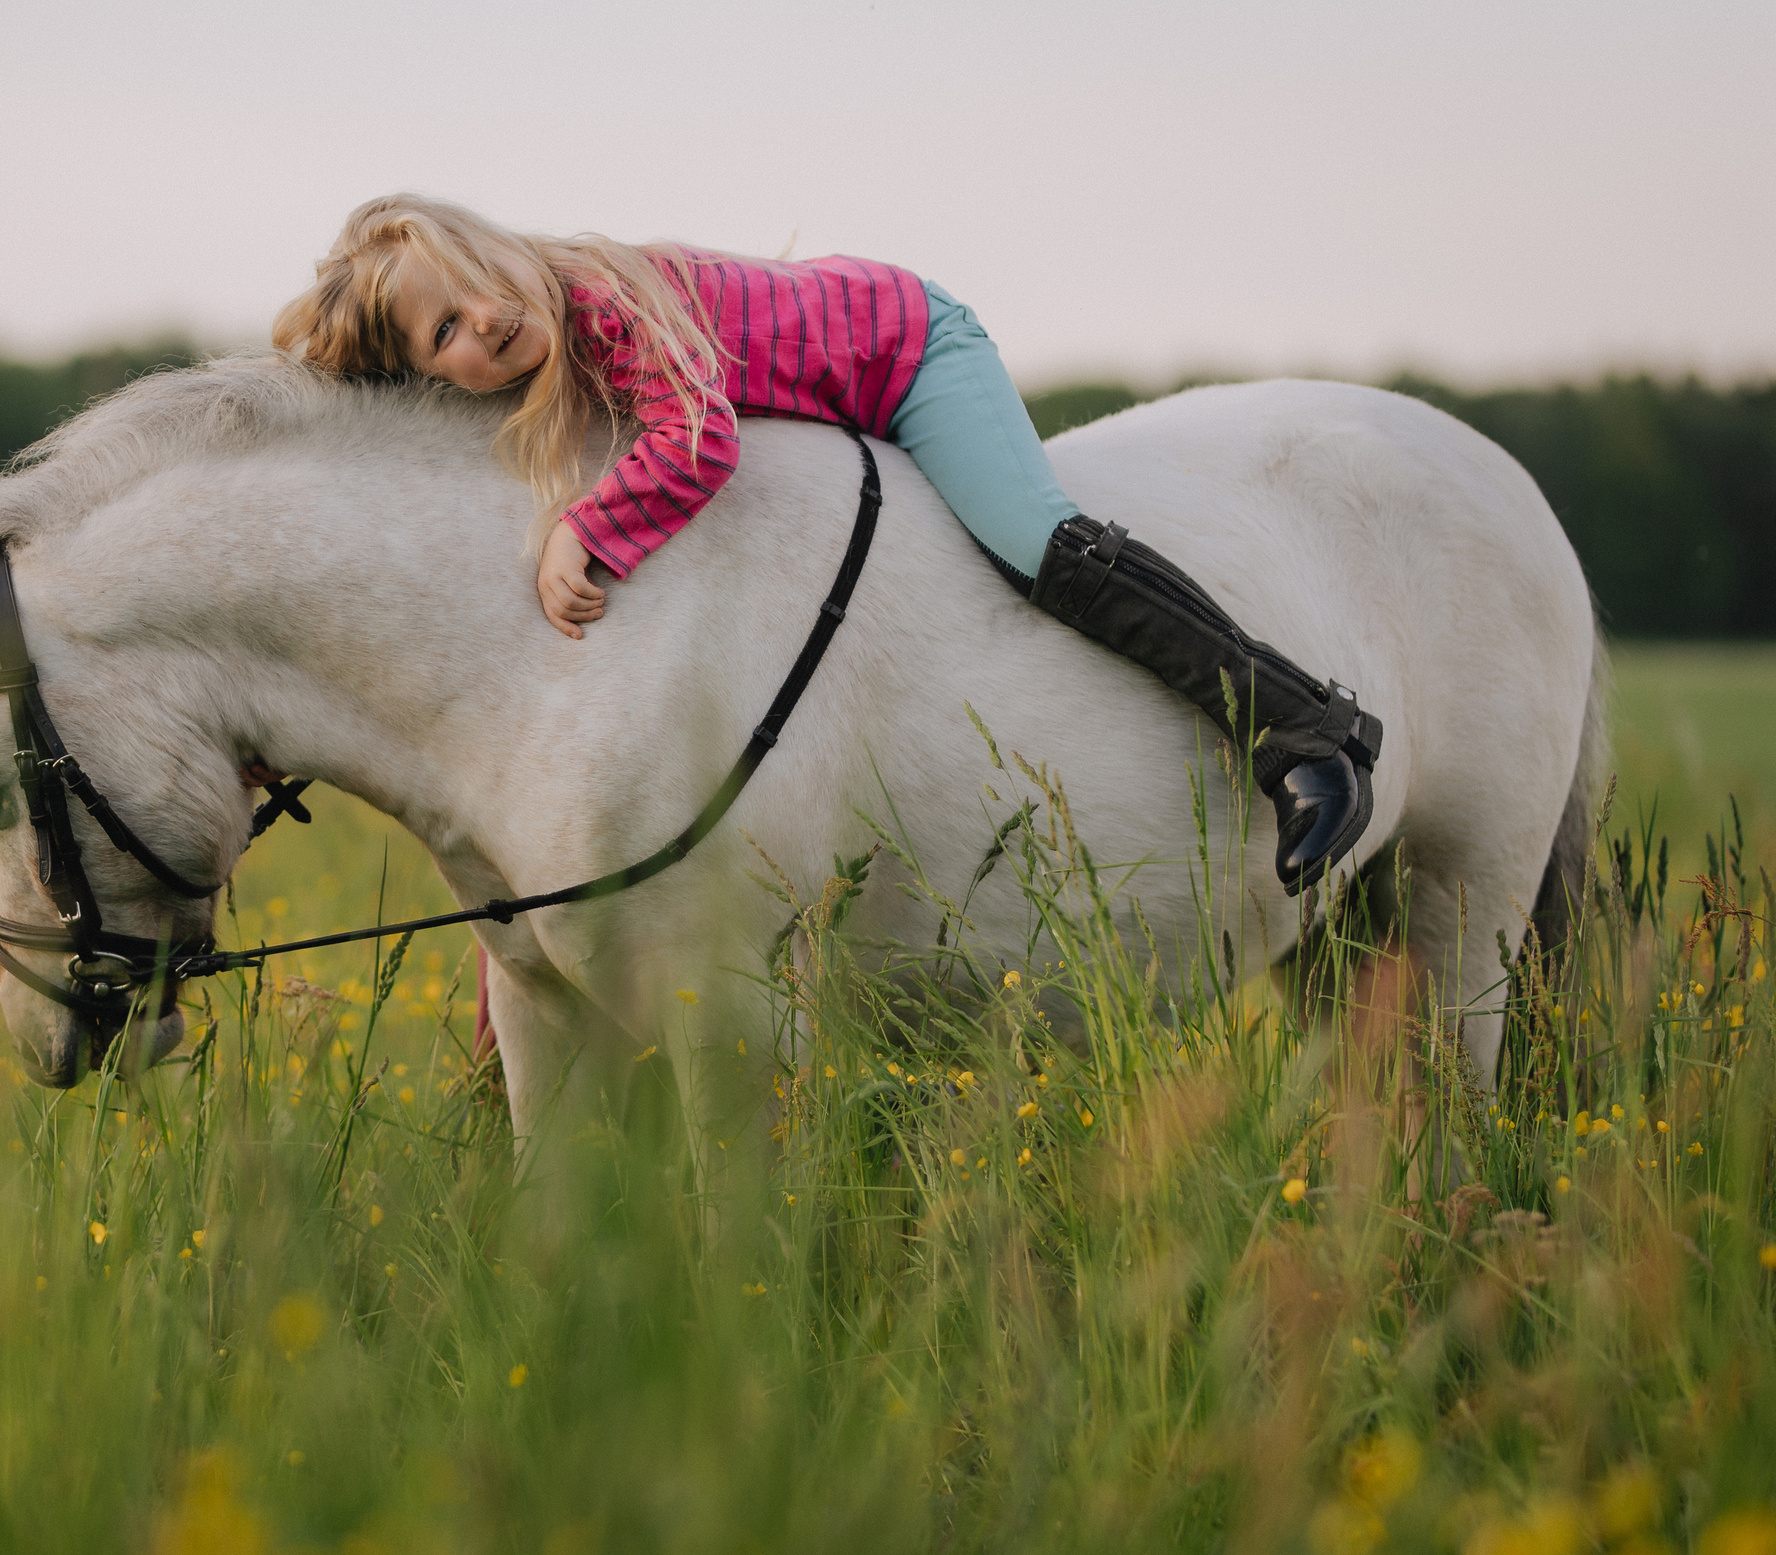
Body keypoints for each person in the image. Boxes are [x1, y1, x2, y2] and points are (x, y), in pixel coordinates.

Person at [274, 196, 1382, 1040]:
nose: (487, 317)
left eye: (476, 282)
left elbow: (700, 443)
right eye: (443, 335)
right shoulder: (548, 373)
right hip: (837, 401)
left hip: (905, 355)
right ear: (433, 379)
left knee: (1039, 546)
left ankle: (1302, 732)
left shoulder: (596, 306)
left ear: (504, 246)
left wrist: (590, 533)